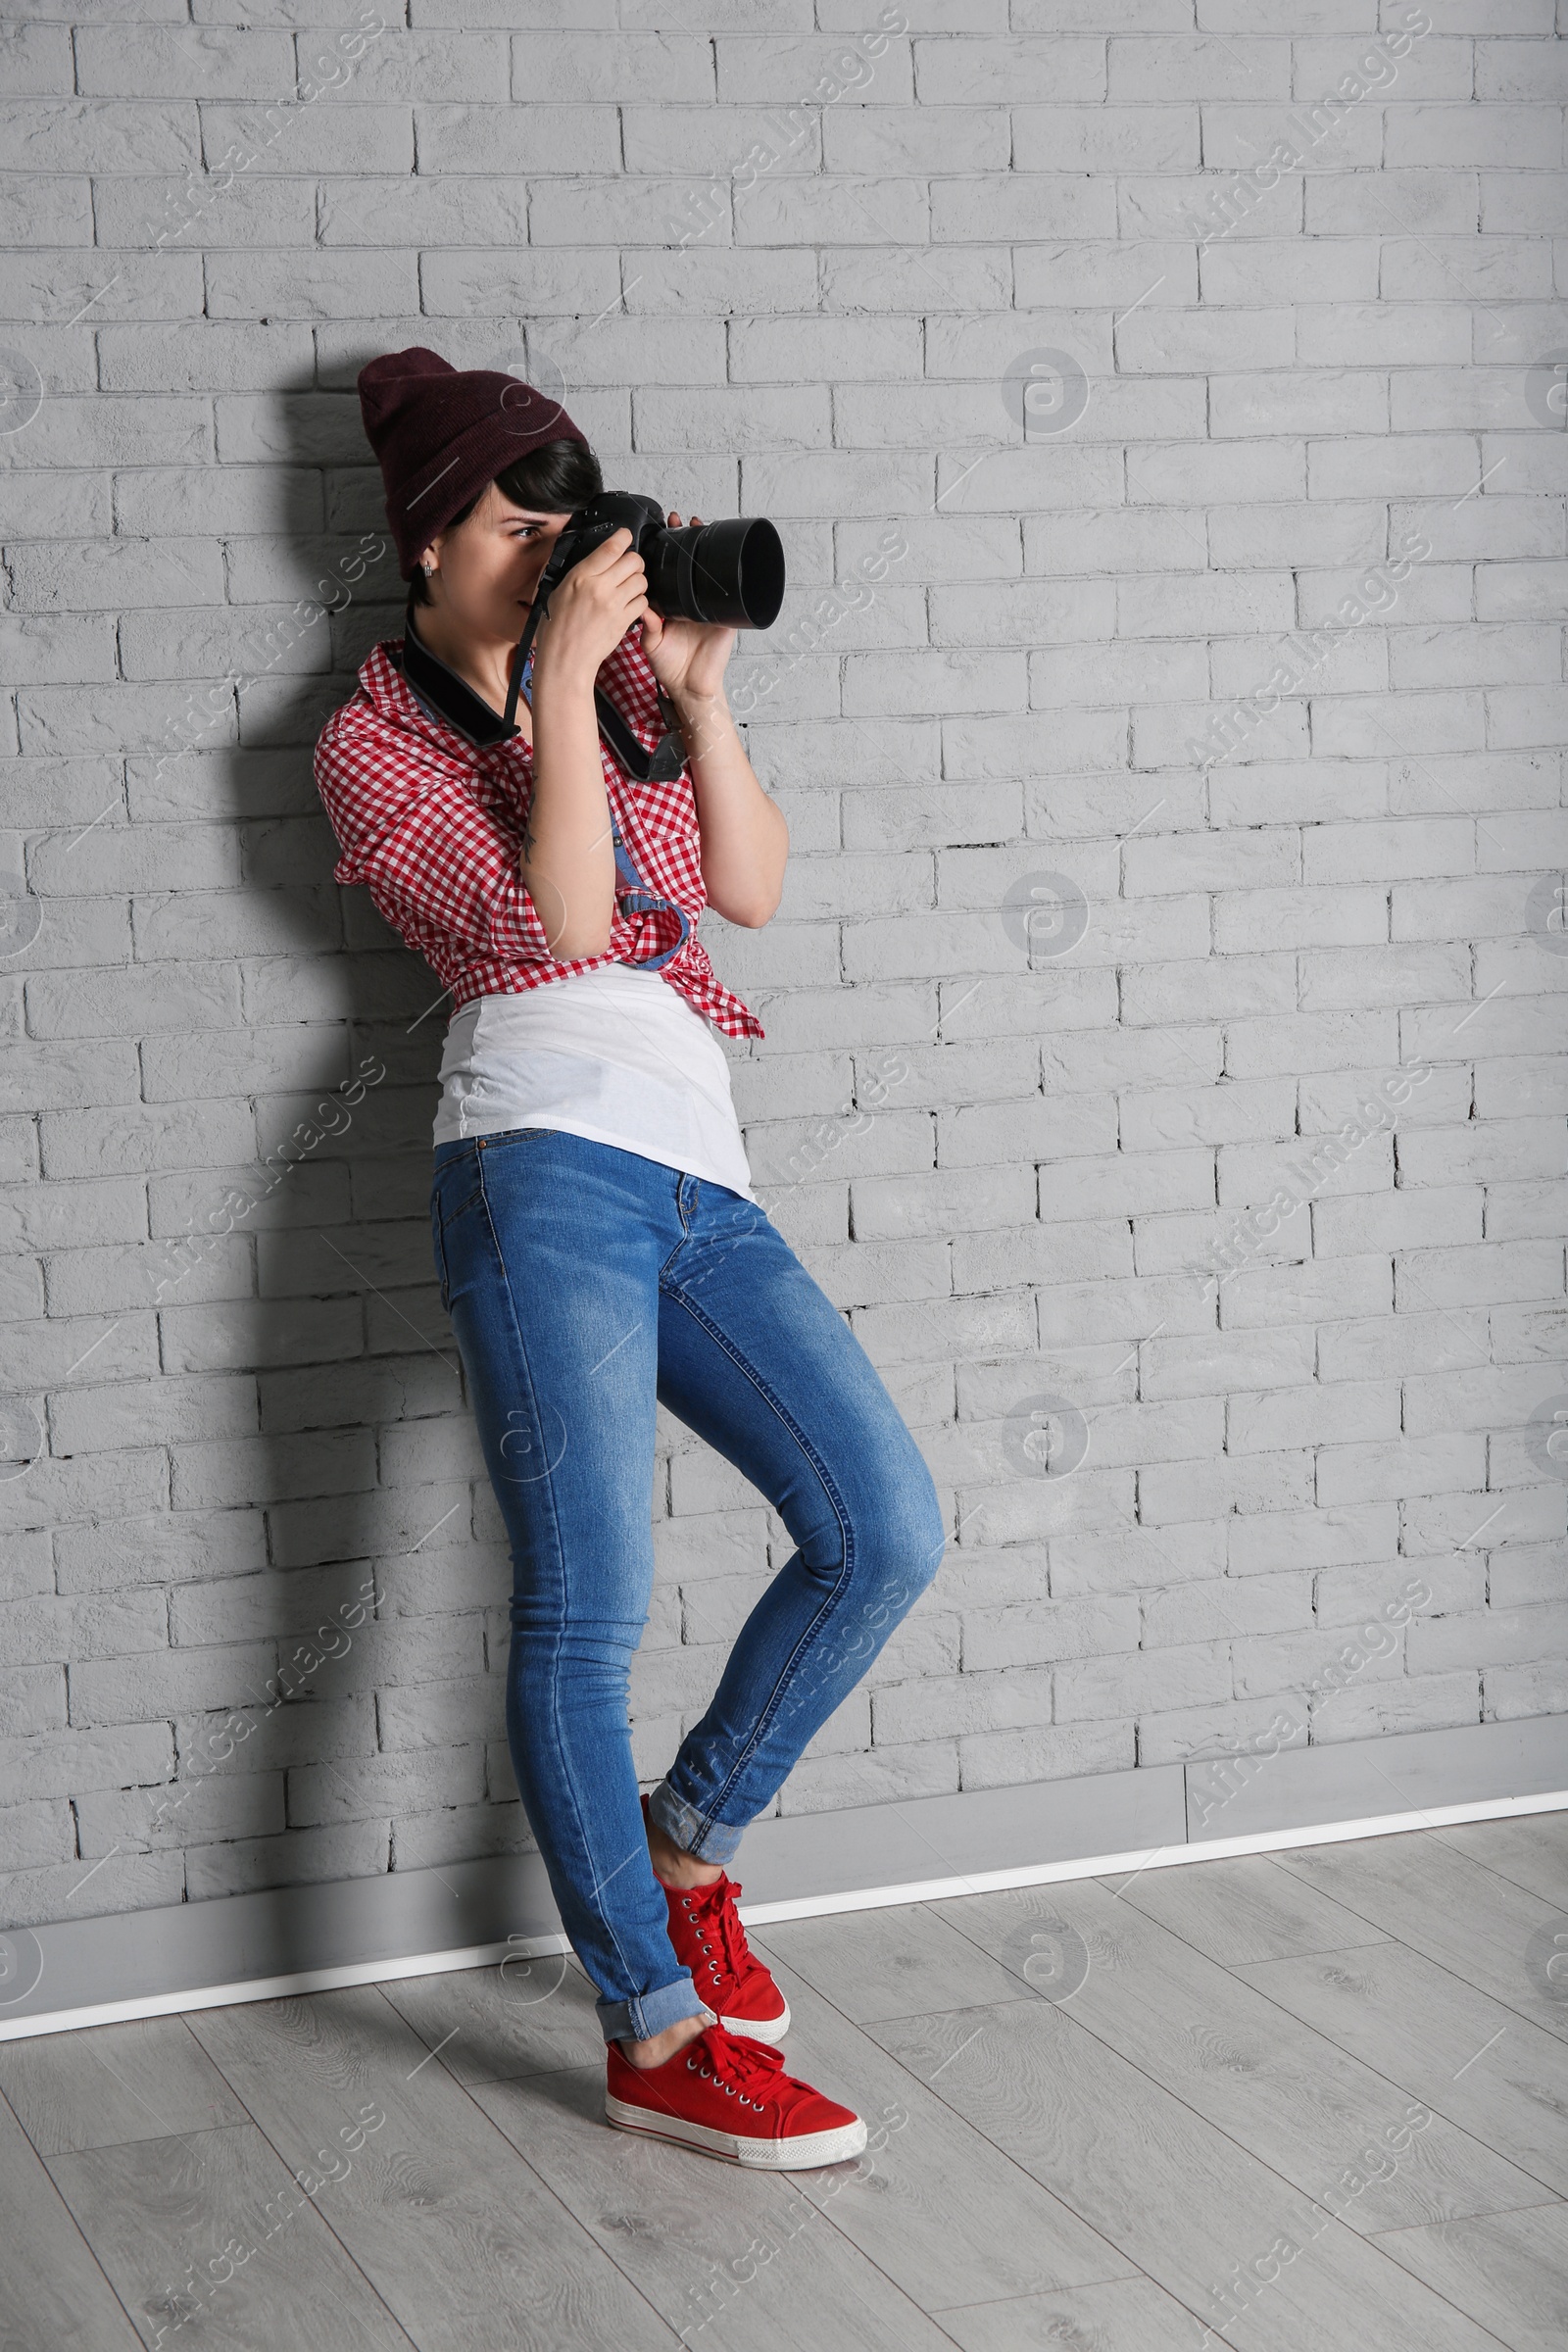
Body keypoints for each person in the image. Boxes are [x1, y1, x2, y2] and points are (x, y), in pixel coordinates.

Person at [313, 348, 947, 2169]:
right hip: (539, 1170)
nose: (544, 560)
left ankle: (687, 1852)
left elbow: (743, 892)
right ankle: (652, 2028)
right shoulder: (374, 738)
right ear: (426, 544)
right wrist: (563, 701)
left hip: (695, 1174)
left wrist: (694, 692)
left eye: (558, 528)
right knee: (587, 1608)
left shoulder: (624, 688)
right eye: (514, 530)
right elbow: (571, 922)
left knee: (880, 1525)